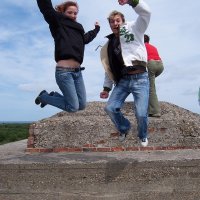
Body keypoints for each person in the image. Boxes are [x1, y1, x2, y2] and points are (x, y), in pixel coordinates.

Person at [100, 0, 151, 147]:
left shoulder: (135, 28)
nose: (115, 23)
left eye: (117, 21)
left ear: (123, 21)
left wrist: (132, 1)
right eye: (112, 22)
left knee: (141, 114)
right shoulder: (109, 45)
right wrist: (106, 88)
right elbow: (109, 68)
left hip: (140, 78)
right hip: (122, 81)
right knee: (110, 108)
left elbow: (146, 13)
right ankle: (124, 128)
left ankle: (142, 135)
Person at [35, 0, 100, 112]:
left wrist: (96, 30)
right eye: (70, 12)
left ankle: (53, 95)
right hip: (64, 72)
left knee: (82, 105)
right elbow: (46, 8)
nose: (73, 15)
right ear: (63, 12)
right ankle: (43, 97)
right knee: (73, 107)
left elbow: (85, 39)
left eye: (75, 13)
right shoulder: (58, 21)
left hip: (77, 72)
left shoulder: (79, 28)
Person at [144, 34, 164, 117]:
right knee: (148, 84)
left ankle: (155, 111)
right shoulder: (153, 47)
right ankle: (150, 108)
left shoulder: (141, 46)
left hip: (151, 64)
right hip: (160, 65)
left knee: (151, 87)